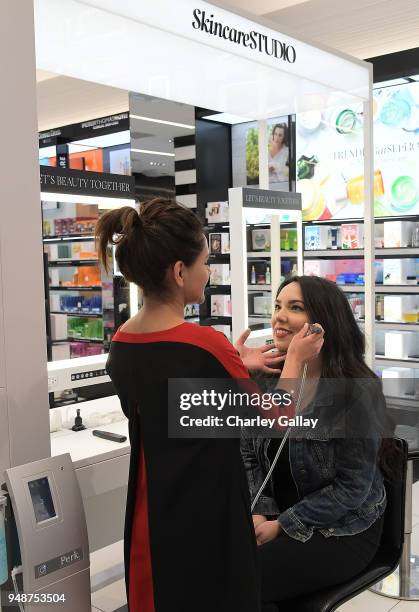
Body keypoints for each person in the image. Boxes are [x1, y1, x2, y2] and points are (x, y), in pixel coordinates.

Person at [95, 200, 322, 612]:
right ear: (179, 272)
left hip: (152, 510)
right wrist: (296, 360)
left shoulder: (122, 344)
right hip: (208, 513)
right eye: (205, 261)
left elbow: (176, 405)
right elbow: (277, 416)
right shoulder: (205, 344)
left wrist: (234, 365)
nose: (209, 271)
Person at [239, 275, 394, 611]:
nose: (279, 315)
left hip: (342, 527)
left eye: (295, 308)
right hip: (276, 513)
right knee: (215, 565)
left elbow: (351, 489)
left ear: (324, 324)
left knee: (243, 581)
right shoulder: (266, 378)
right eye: (278, 305)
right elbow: (249, 457)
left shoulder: (354, 391)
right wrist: (259, 512)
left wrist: (282, 525)